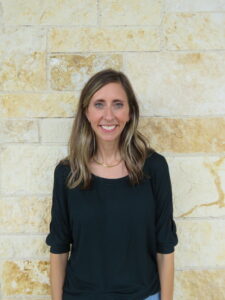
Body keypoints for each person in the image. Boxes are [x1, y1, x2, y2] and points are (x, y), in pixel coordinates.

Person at [45, 68, 178, 300]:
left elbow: (165, 246)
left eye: (118, 104)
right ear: (86, 112)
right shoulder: (67, 173)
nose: (109, 115)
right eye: (99, 104)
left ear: (130, 112)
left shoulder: (154, 168)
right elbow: (58, 248)